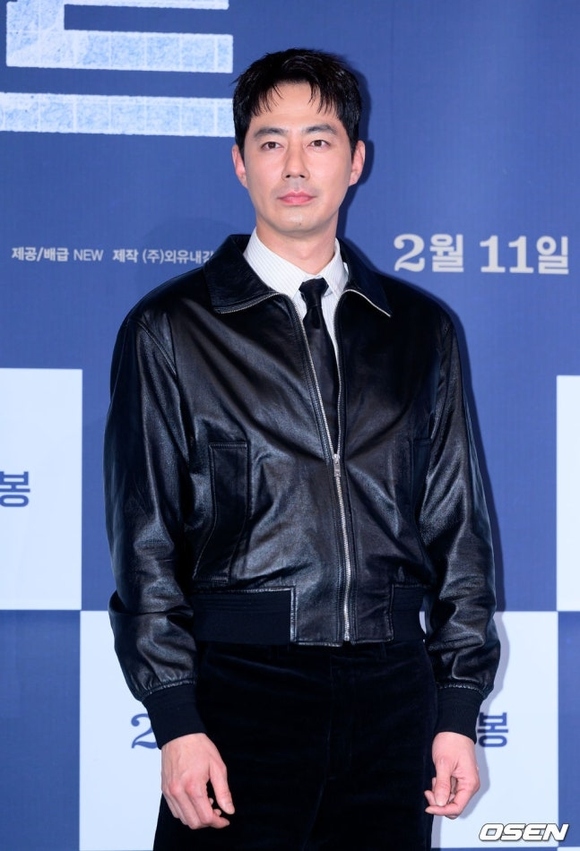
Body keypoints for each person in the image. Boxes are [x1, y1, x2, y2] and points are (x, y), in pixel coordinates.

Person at [104, 47, 500, 850]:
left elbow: (459, 527)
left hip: (393, 695)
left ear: (356, 161)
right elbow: (145, 540)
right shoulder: (171, 329)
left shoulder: (421, 330)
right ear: (239, 162)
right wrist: (175, 714)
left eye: (318, 140)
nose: (294, 164)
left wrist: (457, 706)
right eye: (270, 140)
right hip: (239, 696)